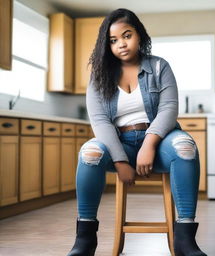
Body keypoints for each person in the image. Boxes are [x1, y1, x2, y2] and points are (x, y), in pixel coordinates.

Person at [67, 8, 207, 256]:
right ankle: (84, 240)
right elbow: (100, 121)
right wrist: (120, 160)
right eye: (113, 40)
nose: (121, 44)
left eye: (127, 35)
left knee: (186, 146)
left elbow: (168, 109)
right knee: (89, 152)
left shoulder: (159, 66)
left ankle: (185, 240)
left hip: (160, 140)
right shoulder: (99, 75)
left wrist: (149, 144)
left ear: (139, 35)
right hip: (117, 142)